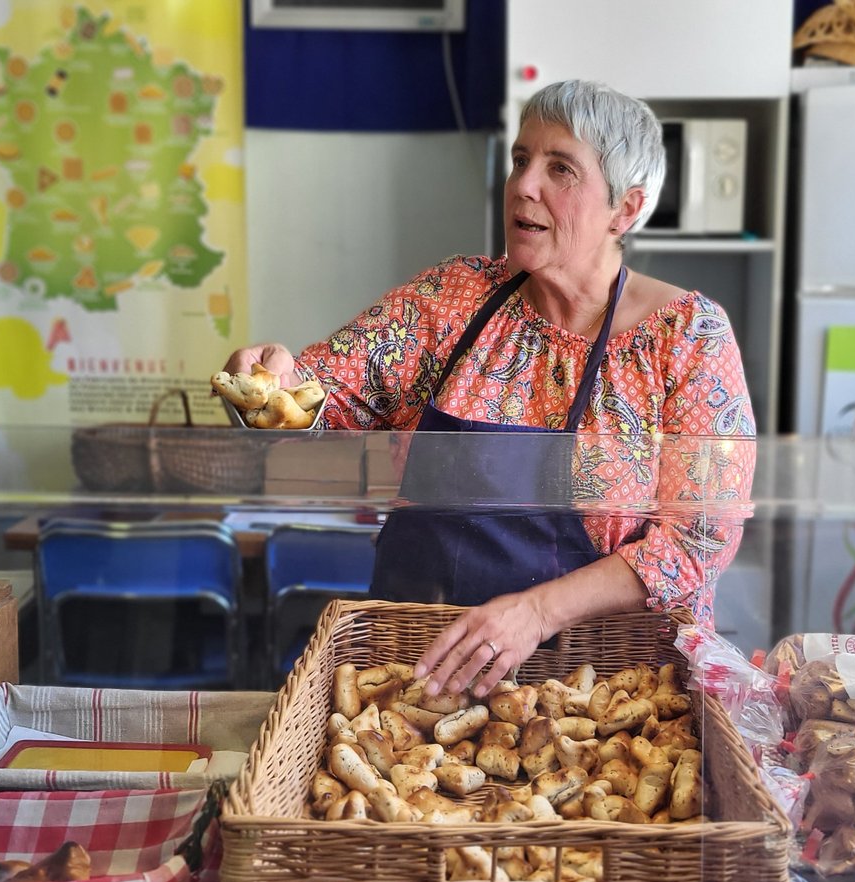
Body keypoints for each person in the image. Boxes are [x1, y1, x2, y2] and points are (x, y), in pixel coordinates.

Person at [225, 80, 754, 699]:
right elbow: (325, 391)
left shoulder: (686, 337)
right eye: (521, 160)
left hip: (603, 698)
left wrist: (535, 612)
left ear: (625, 210)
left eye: (561, 168)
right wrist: (271, 379)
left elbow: (700, 536)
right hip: (420, 676)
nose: (524, 185)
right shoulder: (454, 299)